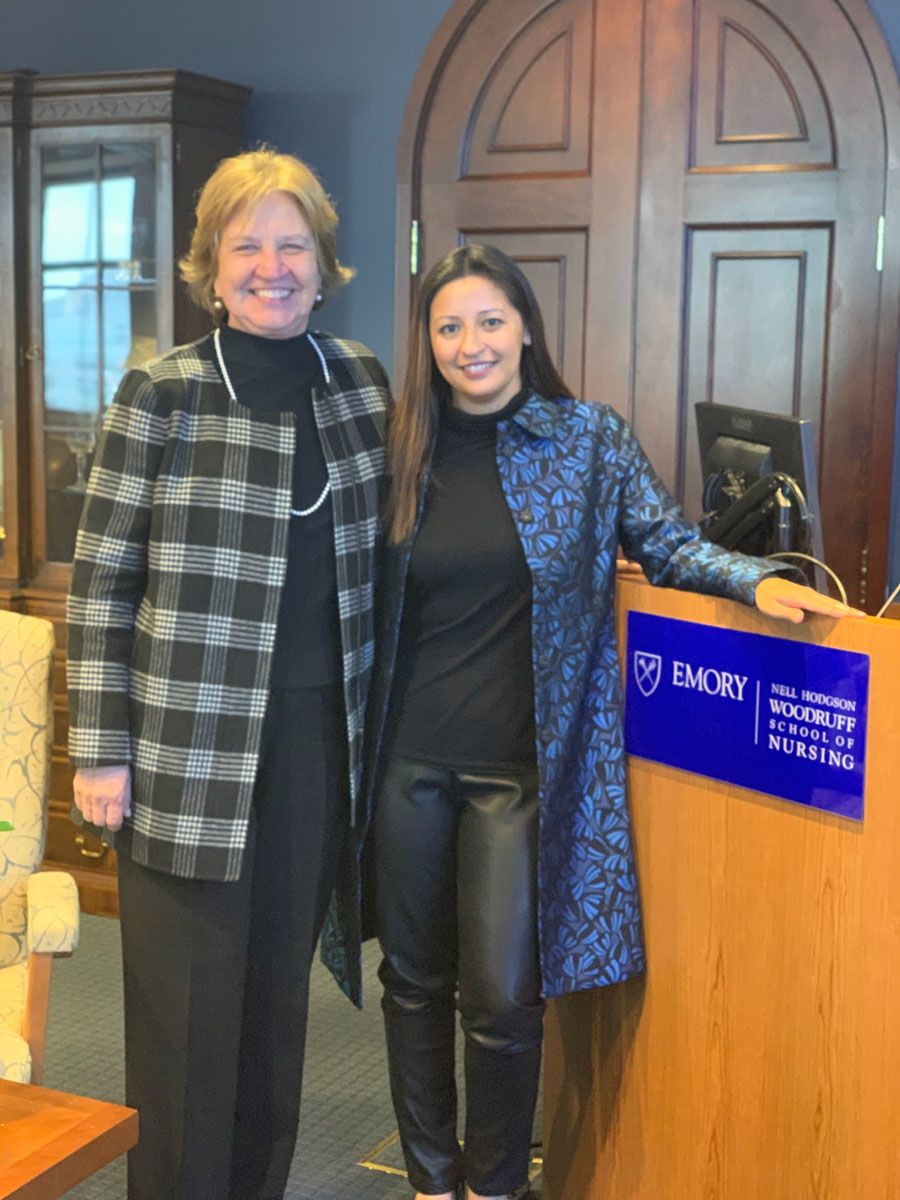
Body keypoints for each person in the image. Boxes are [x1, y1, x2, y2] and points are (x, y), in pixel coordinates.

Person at [366, 243, 862, 1200]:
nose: (472, 344)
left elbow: (670, 543)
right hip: (407, 766)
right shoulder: (400, 448)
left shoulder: (587, 441)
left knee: (506, 1000)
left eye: (490, 321)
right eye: (450, 326)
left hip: (520, 774)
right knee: (414, 985)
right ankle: (430, 1183)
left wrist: (754, 576)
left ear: (526, 328)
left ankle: (496, 1186)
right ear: (428, 343)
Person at [66, 148, 390, 1200]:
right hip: (181, 754)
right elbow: (101, 583)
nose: (271, 265)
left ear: (324, 261)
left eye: (292, 244)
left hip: (314, 751)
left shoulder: (362, 387)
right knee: (184, 1019)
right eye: (246, 245)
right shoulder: (161, 393)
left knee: (272, 1012)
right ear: (211, 266)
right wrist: (99, 752)